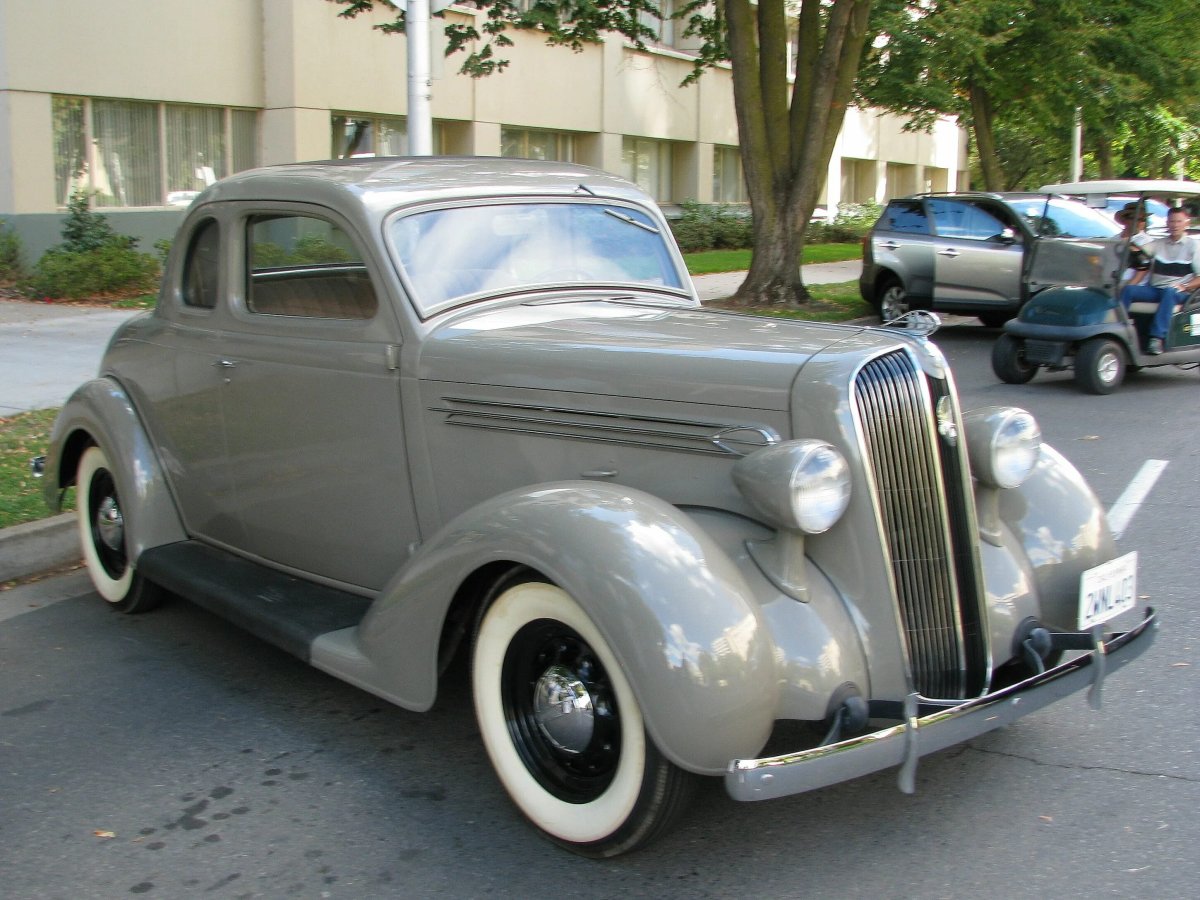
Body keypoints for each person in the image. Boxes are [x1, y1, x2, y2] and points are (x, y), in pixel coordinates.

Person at [1119, 206, 1200, 354]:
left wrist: (1185, 285)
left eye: (1178, 221)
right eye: (1171, 221)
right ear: (1167, 223)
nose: (1175, 225)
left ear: (1186, 223)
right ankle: (1118, 328)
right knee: (1129, 290)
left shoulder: (1194, 246)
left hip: (1181, 292)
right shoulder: (1158, 244)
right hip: (1156, 290)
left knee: (1170, 291)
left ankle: (1157, 338)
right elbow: (1139, 251)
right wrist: (1127, 241)